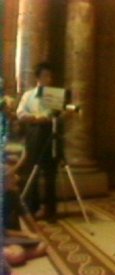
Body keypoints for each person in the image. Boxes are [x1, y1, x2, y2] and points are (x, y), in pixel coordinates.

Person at [16, 62, 60, 221]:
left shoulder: (54, 95)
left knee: (50, 172)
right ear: (37, 78)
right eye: (45, 76)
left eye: (50, 76)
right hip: (34, 133)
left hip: (50, 133)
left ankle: (50, 209)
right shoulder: (28, 95)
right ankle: (32, 206)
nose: (48, 79)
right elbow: (20, 113)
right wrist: (35, 117)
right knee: (32, 170)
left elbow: (56, 114)